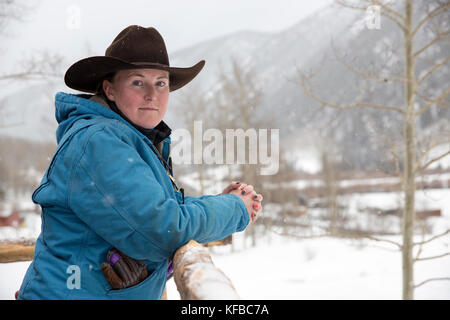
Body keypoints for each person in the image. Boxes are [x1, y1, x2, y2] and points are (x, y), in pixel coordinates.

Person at [17, 25, 263, 300]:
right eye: (137, 82)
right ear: (109, 89)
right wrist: (234, 209)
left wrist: (221, 202)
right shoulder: (99, 142)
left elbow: (154, 209)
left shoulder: (128, 137)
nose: (152, 94)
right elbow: (162, 229)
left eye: (161, 83)